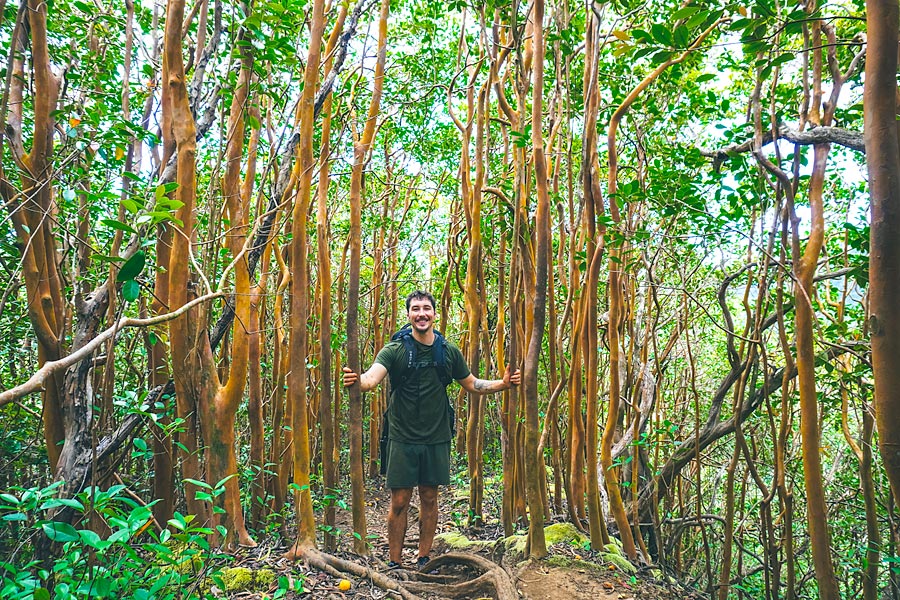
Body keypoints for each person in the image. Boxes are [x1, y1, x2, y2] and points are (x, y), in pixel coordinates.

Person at [342, 290, 521, 569]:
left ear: (434, 314)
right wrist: (357, 380)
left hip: (436, 436)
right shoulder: (395, 350)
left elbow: (472, 384)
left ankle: (424, 557)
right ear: (409, 315)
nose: (421, 313)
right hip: (402, 436)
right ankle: (394, 561)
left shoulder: (448, 351)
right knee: (400, 500)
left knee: (429, 495)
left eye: (426, 308)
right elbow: (371, 379)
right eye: (416, 309)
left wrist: (504, 383)